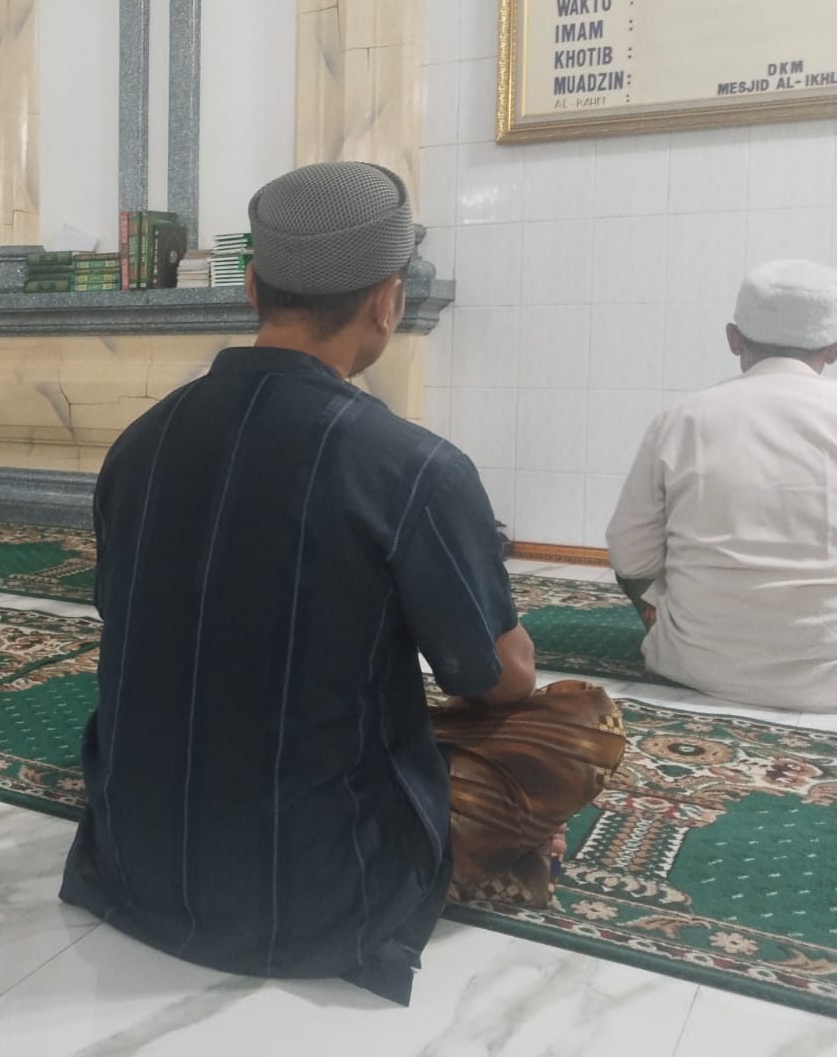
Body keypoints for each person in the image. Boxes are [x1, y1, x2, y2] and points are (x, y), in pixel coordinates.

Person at [59, 162, 626, 1005]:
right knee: (579, 722)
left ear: (252, 287)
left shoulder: (140, 441)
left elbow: (124, 614)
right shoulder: (413, 466)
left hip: (130, 857)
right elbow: (497, 679)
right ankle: (485, 833)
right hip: (320, 894)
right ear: (387, 302)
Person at [608, 259, 837, 710]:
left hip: (696, 665)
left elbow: (629, 554)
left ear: (734, 339)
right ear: (833, 348)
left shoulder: (684, 418)